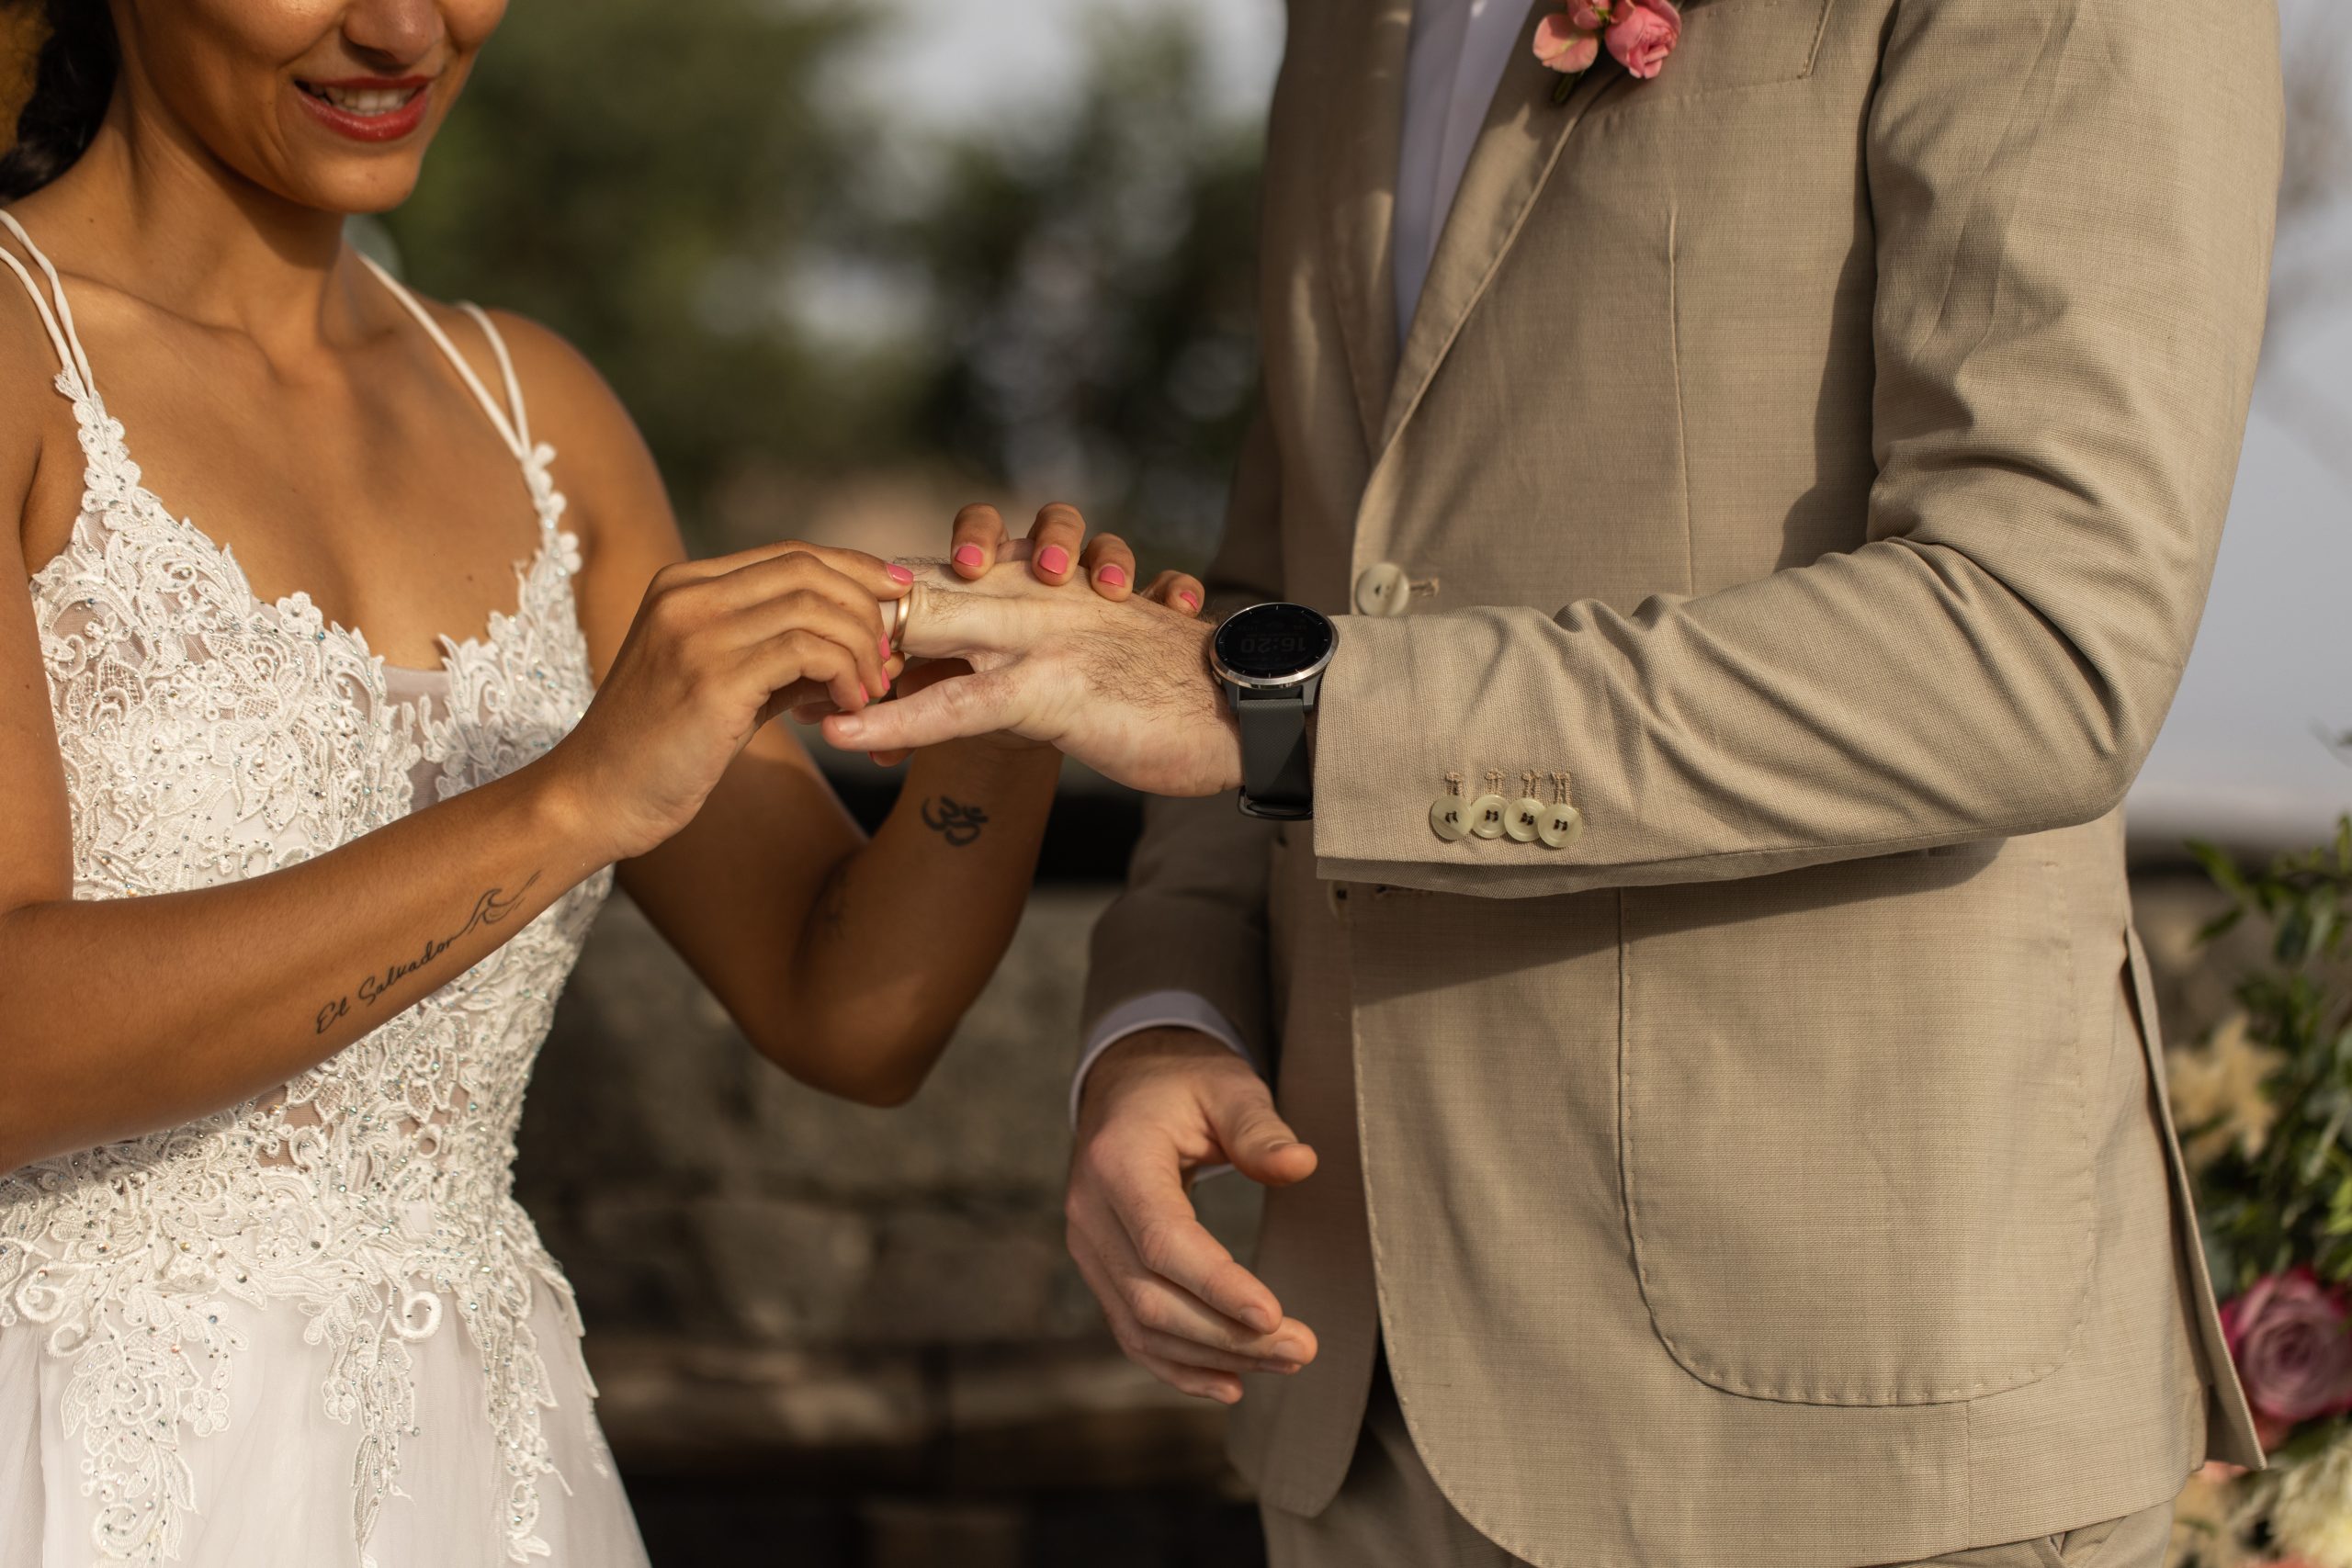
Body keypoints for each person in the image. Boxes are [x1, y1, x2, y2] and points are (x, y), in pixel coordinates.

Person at [837, 1, 2288, 1564]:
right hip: (1360, 1405)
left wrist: (1306, 713)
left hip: (1844, 1423)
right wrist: (1167, 1014)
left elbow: (2036, 648)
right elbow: (1293, 578)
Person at [0, 4, 1188, 1564]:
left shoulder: (531, 405)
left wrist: (999, 734)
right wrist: (575, 800)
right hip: (73, 1455)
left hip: (469, 1472)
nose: (403, 26)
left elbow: (849, 1014)